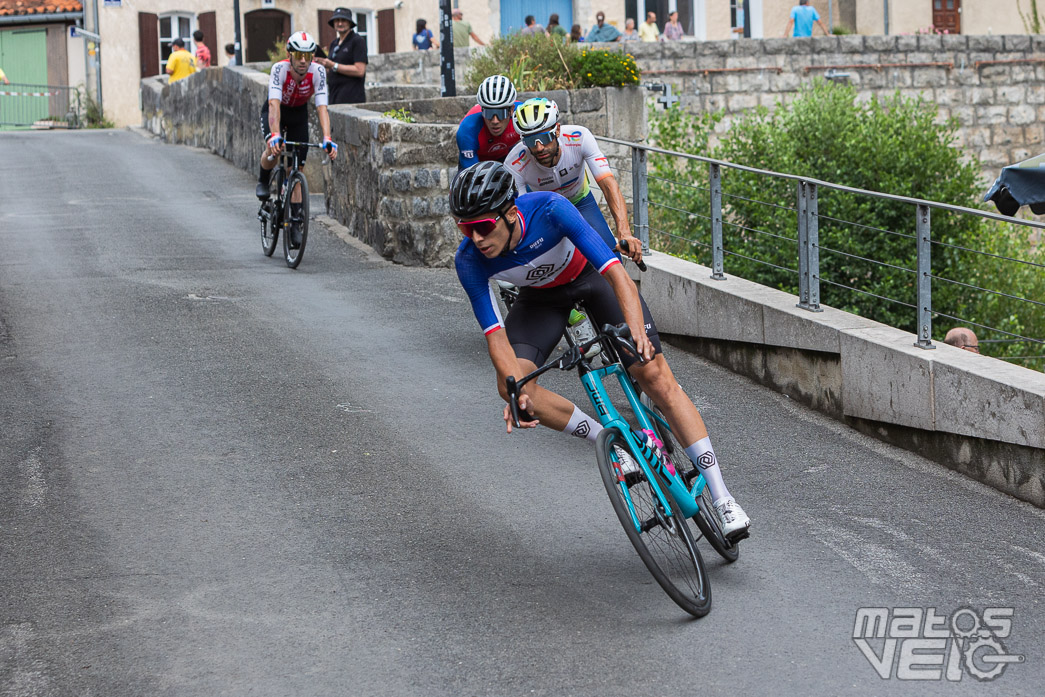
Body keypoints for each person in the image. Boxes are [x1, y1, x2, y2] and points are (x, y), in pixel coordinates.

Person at [449, 161, 752, 539]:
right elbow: (495, 337)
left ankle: (723, 498)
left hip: (592, 278)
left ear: (511, 213)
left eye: (482, 226)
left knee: (654, 374)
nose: (475, 238)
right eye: (465, 228)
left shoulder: (550, 209)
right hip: (541, 301)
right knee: (512, 388)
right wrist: (514, 390)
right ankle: (611, 443)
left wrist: (637, 332)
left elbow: (615, 273)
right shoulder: (469, 260)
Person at [505, 97, 642, 264]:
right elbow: (521, 211)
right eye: (530, 141)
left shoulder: (579, 138)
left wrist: (624, 232)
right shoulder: (515, 162)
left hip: (581, 202)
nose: (539, 147)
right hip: (545, 212)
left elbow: (608, 184)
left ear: (557, 130)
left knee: (612, 259)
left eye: (544, 138)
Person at [255, 31, 339, 249]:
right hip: (277, 112)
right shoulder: (279, 69)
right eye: (298, 55)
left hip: (298, 116)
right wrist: (275, 135)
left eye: (308, 56)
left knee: (297, 168)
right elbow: (273, 104)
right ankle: (264, 180)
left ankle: (295, 225)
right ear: (289, 54)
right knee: (273, 152)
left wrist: (327, 138)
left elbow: (322, 108)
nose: (303, 61)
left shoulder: (318, 71)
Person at [457, 74, 521, 169]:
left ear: (511, 110)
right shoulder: (467, 130)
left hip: (507, 154)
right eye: (489, 113)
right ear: (482, 110)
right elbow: (472, 173)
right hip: (477, 160)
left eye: (501, 113)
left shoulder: (522, 115)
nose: (495, 121)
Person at [316, 7, 368, 104]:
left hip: (352, 99)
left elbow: (360, 70)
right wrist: (323, 64)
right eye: (337, 20)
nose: (340, 23)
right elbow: (331, 69)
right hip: (334, 96)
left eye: (343, 20)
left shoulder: (357, 41)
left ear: (349, 23)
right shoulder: (334, 43)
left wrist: (333, 65)